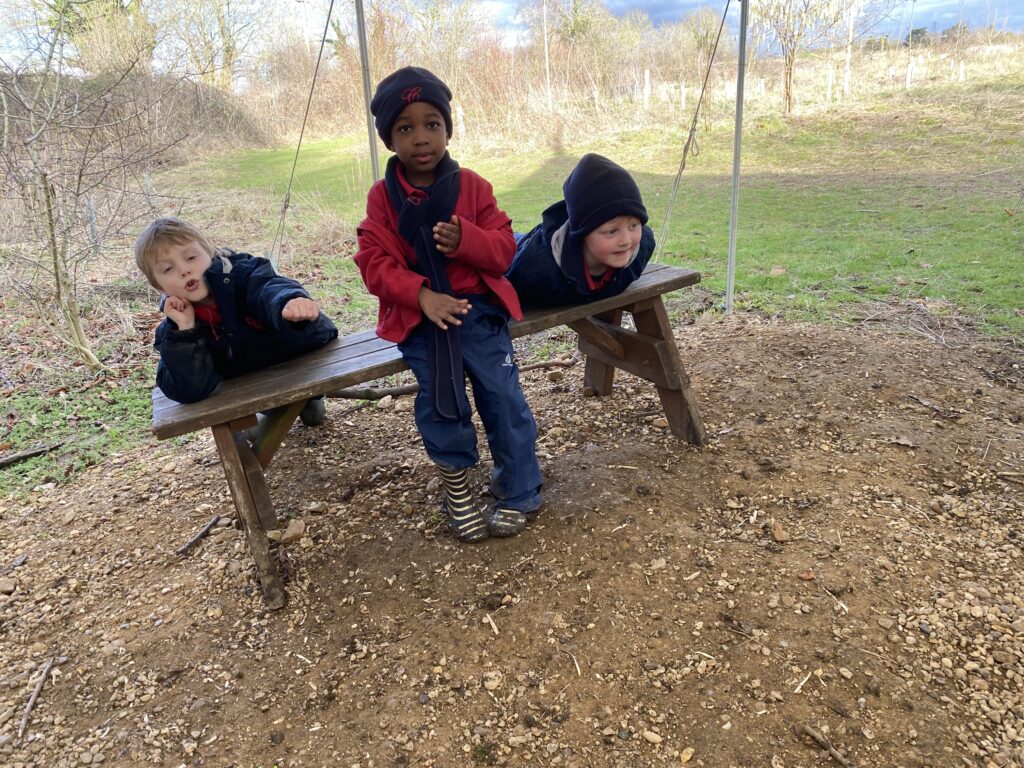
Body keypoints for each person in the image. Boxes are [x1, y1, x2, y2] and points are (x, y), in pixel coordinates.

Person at [354, 66, 542, 543]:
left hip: (477, 311)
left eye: (432, 123)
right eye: (405, 127)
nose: (421, 137)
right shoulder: (383, 199)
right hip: (422, 319)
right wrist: (420, 295)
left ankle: (519, 490)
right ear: (390, 138)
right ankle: (458, 491)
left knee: (502, 398)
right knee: (443, 402)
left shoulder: (473, 187)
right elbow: (372, 261)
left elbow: (503, 251)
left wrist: (467, 241)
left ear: (447, 128)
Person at [136, 217, 338, 432]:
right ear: (159, 286)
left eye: (191, 257)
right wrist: (186, 330)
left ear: (211, 253)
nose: (184, 270)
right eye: (168, 269)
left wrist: (290, 302)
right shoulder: (174, 330)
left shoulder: (242, 274)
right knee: (253, 431)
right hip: (249, 387)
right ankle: (271, 416)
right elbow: (187, 390)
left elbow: (268, 287)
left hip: (294, 363)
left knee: (312, 414)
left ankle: (307, 402)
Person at [505, 153, 654, 308]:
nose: (626, 241)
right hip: (513, 249)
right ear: (582, 233)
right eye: (611, 231)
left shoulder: (642, 247)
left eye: (633, 226)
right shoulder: (535, 273)